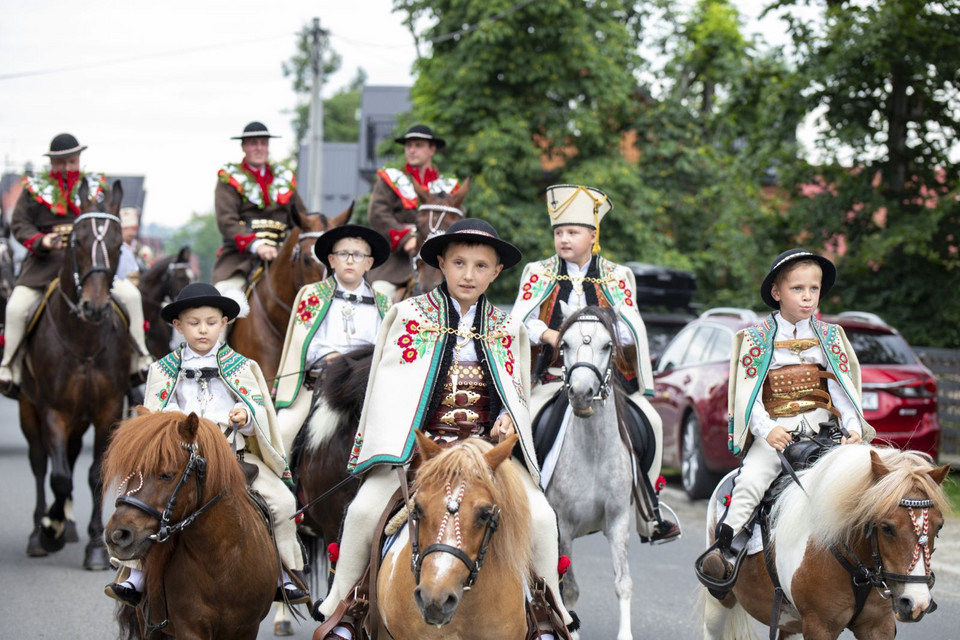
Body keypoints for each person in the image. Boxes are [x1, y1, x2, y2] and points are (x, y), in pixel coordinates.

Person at [316, 219, 576, 640]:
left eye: (480, 265)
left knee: (542, 518)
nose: (468, 274)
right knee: (365, 510)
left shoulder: (508, 329)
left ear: (496, 272)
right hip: (422, 453)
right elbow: (390, 389)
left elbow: (516, 394)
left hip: (485, 457)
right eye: (459, 262)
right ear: (441, 263)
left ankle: (548, 612)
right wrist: (410, 436)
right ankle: (347, 606)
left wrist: (508, 417)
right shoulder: (407, 317)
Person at [104, 282, 308, 607]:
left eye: (211, 323)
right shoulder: (163, 369)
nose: (203, 330)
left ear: (224, 323)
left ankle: (284, 572)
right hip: (177, 463)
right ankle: (135, 573)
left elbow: (259, 410)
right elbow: (152, 418)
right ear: (178, 326)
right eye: (194, 323)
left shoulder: (243, 367)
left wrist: (246, 413)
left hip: (232, 457)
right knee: (144, 506)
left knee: (282, 503)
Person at [511, 184, 680, 544]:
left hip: (605, 380)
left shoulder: (617, 276)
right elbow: (520, 320)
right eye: (558, 232)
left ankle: (648, 511)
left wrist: (604, 332)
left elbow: (632, 330)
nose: (564, 239)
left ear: (593, 235)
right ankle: (520, 500)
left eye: (572, 232)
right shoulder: (537, 272)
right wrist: (550, 336)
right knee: (520, 425)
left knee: (650, 419)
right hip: (554, 377)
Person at [698, 248, 875, 588]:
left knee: (865, 476)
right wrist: (767, 429)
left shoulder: (830, 336)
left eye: (814, 289)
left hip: (825, 428)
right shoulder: (757, 338)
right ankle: (727, 550)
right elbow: (747, 393)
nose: (807, 297)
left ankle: (874, 556)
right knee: (752, 481)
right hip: (777, 429)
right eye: (798, 289)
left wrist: (853, 428)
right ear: (777, 292)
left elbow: (841, 387)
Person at [0, 133, 152, 399]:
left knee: (132, 296)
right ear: (52, 163)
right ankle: (9, 366)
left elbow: (106, 223)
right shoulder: (34, 189)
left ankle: (140, 357)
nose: (68, 167)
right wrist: (42, 240)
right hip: (46, 264)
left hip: (90, 264)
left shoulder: (95, 188)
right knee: (16, 308)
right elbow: (19, 224)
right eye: (62, 162)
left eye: (73, 161)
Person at [273, 224, 392, 452]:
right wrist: (332, 358)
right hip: (318, 384)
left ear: (368, 263)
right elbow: (304, 342)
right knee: (283, 431)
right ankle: (277, 483)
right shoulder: (313, 295)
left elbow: (386, 346)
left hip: (365, 386)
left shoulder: (383, 303)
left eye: (357, 255)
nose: (349, 260)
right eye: (342, 254)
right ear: (331, 260)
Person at [212, 121, 308, 293]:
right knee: (223, 295)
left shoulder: (284, 179)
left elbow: (301, 219)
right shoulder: (229, 179)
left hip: (283, 254)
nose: (259, 148)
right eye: (253, 143)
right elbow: (227, 221)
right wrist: (257, 246)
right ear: (243, 147)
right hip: (241, 257)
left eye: (263, 143)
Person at [366, 124, 459, 300]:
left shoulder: (447, 187)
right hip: (396, 265)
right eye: (409, 145)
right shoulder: (392, 179)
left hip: (436, 265)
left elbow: (456, 221)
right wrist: (405, 238)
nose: (412, 150)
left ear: (432, 149)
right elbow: (378, 215)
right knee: (380, 295)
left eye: (418, 145)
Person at [117, 206, 145, 285]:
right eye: (125, 229)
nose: (130, 232)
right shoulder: (117, 248)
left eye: (133, 229)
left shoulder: (140, 249)